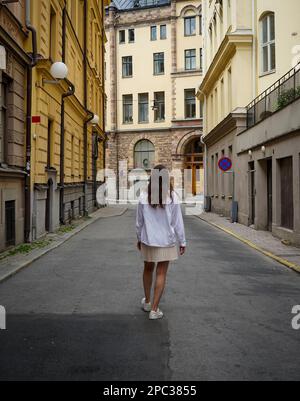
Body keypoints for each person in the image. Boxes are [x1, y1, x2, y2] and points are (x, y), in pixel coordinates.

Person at [136, 165, 186, 320]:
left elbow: (139, 222)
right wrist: (182, 241)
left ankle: (148, 302)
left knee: (147, 269)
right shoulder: (172, 196)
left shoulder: (144, 196)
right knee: (161, 273)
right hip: (166, 241)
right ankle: (154, 310)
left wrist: (139, 238)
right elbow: (178, 222)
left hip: (148, 240)